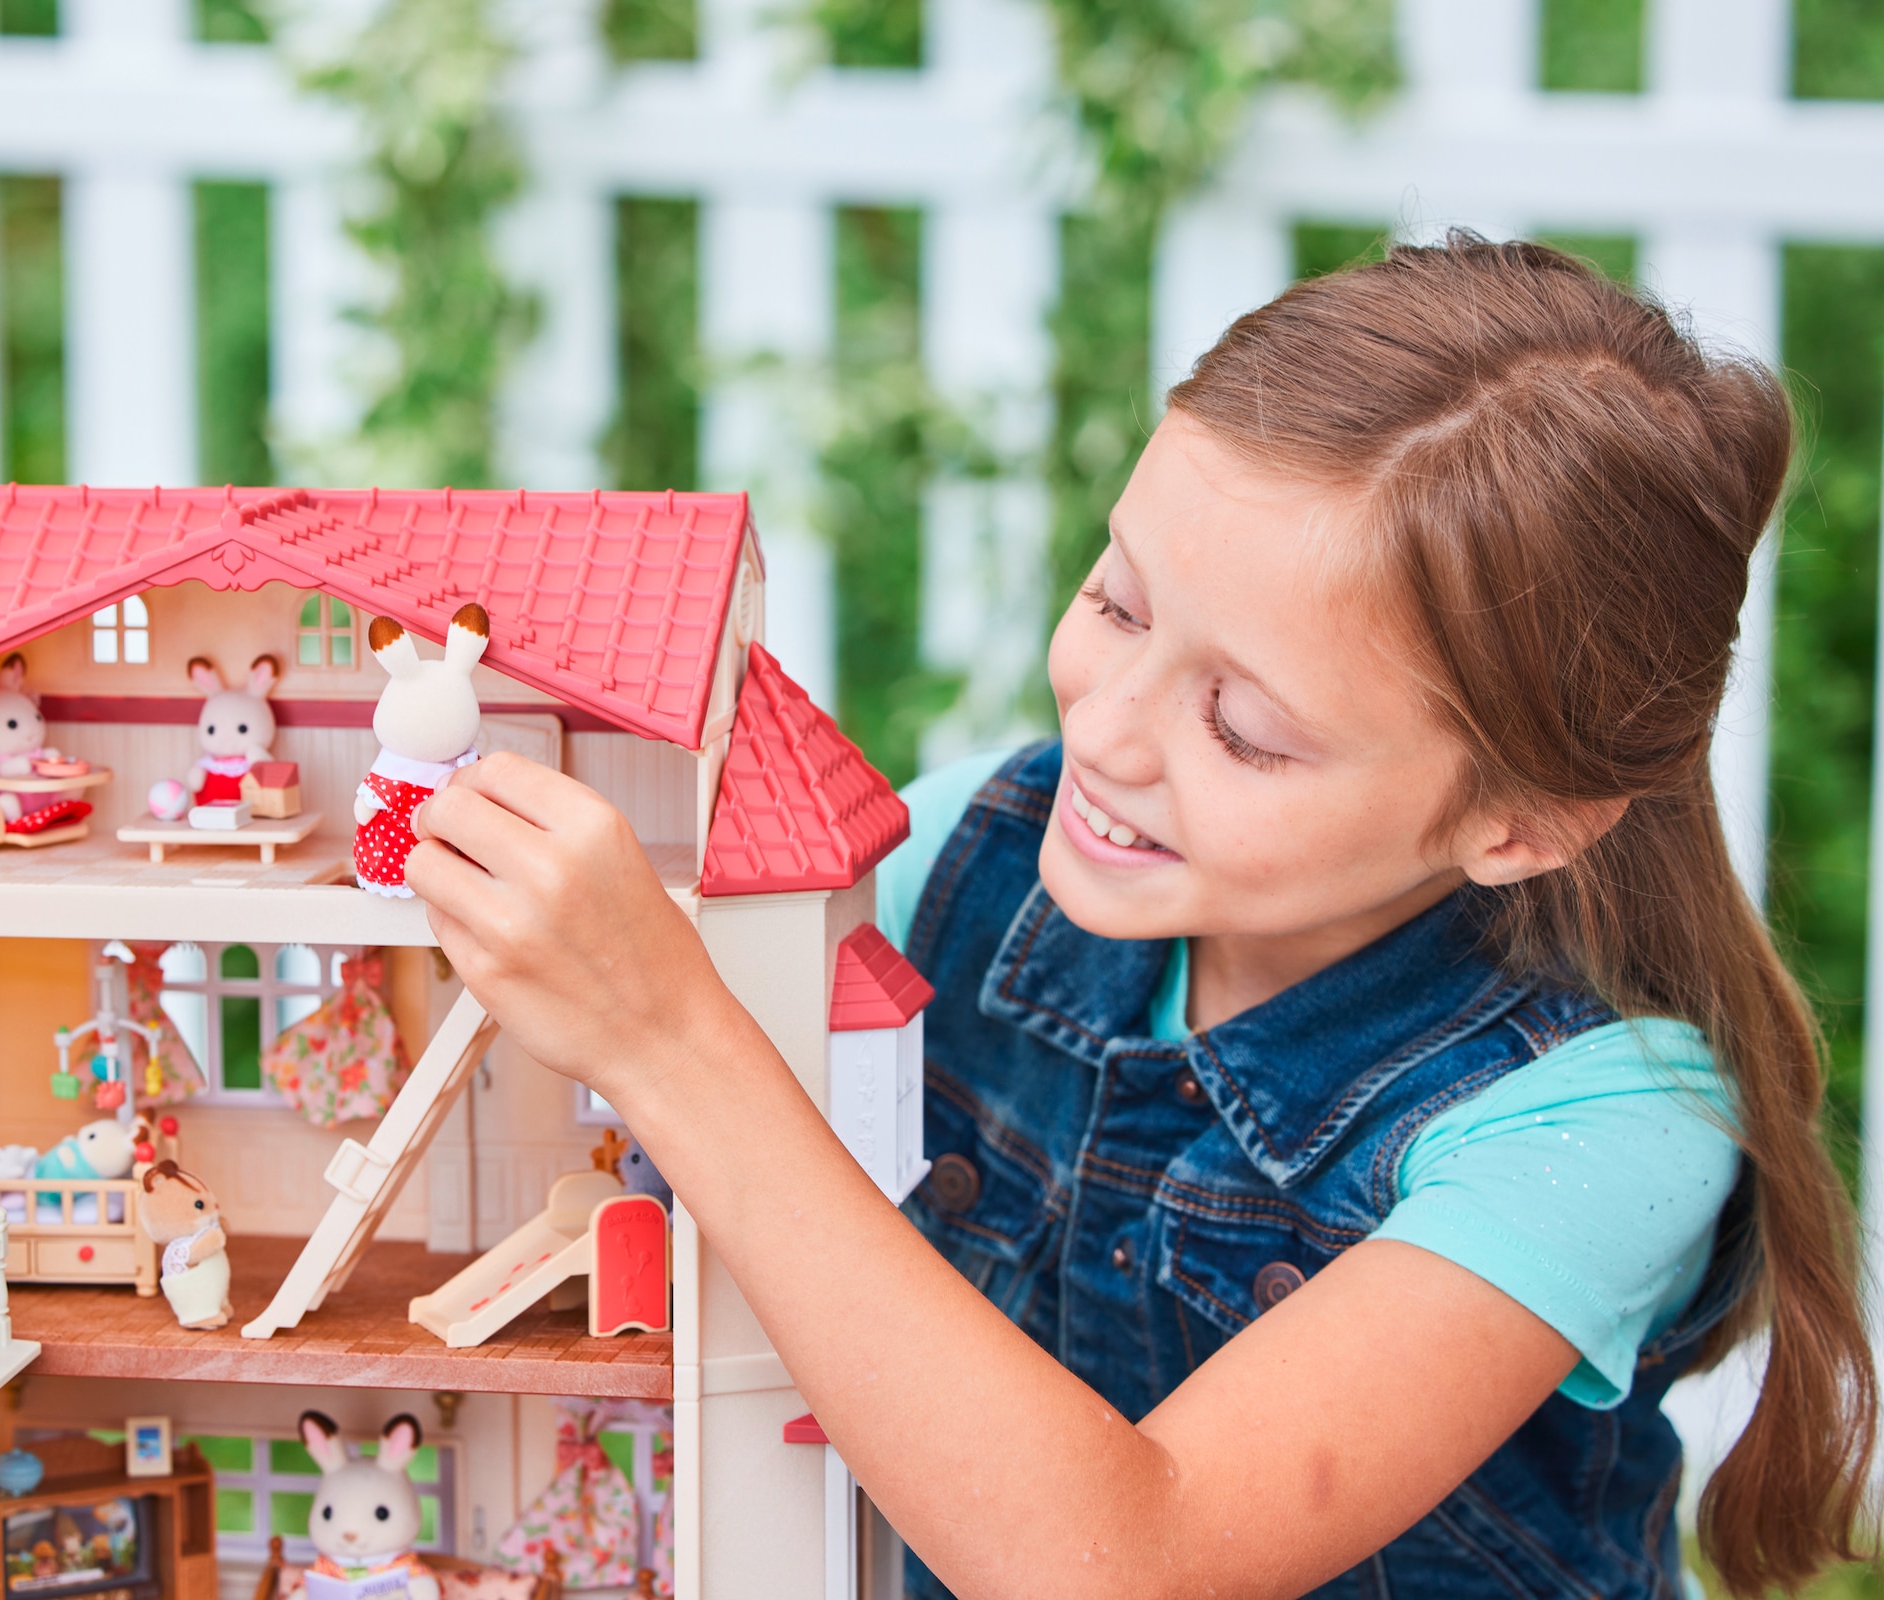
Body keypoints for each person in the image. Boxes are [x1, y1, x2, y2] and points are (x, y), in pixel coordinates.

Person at [401, 235, 1876, 1597]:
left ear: (1518, 821)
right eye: (1118, 602)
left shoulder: (1602, 1123)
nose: (1104, 736)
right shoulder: (976, 848)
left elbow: (1125, 1558)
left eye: (1243, 726)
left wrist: (670, 1034)